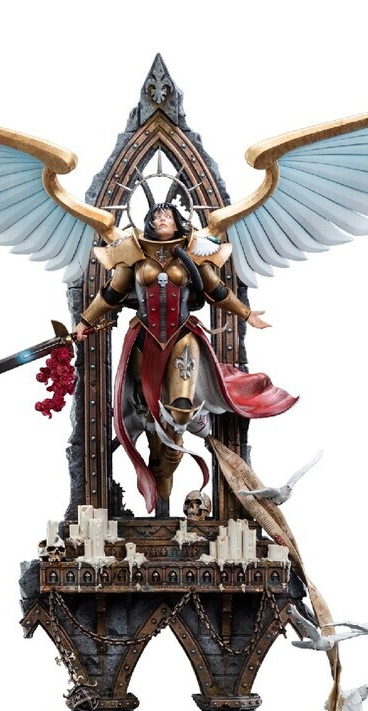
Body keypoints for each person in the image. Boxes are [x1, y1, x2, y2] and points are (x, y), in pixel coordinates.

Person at [73, 204, 296, 512]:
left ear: (178, 221)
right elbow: (112, 293)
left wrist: (246, 314)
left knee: (180, 412)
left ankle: (175, 446)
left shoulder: (193, 250)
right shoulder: (133, 251)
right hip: (144, 341)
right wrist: (84, 321)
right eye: (156, 216)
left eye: (167, 215)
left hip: (182, 337)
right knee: (149, 415)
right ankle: (158, 467)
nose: (161, 219)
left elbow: (216, 290)